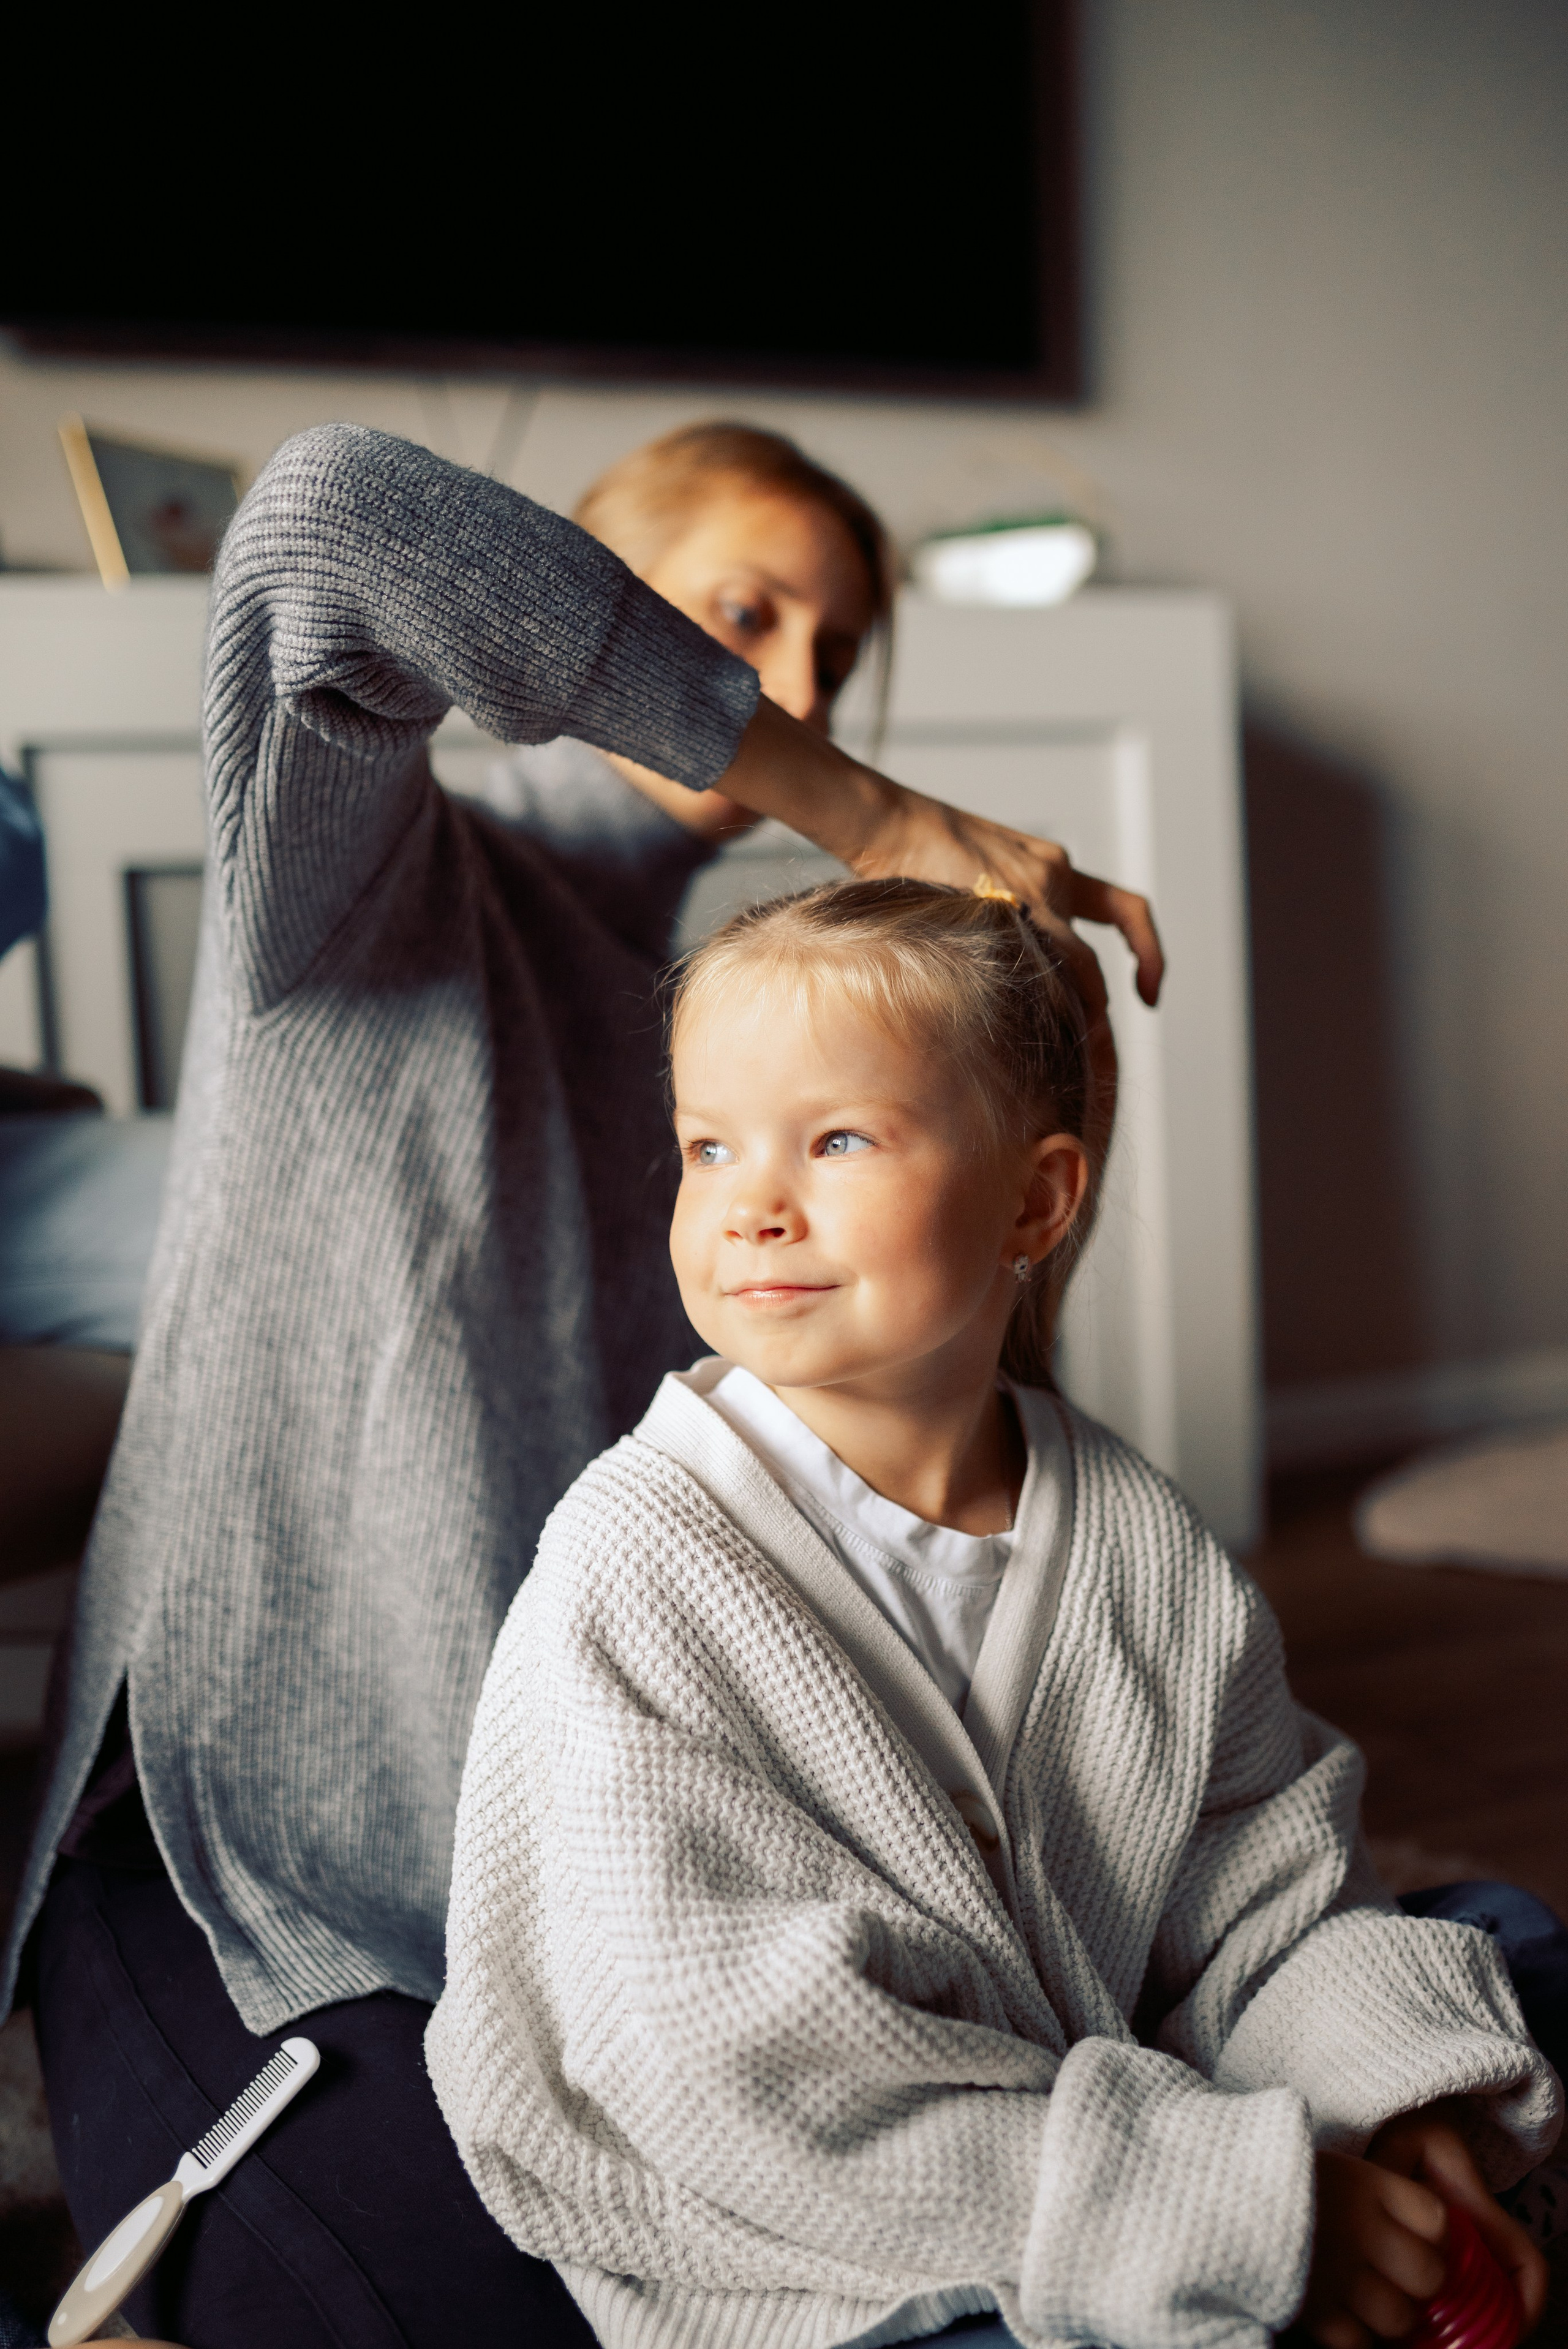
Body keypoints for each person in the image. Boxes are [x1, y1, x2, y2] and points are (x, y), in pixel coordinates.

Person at [9, 422, 1159, 2348]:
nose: (789, 686)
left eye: (834, 653)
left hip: (595, 1859)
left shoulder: (746, 1057)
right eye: (743, 616)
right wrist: (860, 800)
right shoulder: (364, 878)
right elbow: (330, 520)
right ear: (588, 596)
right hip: (245, 1849)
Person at [429, 877, 1562, 2349]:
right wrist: (1249, 2207)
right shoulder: (636, 1569)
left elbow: (1259, 1894)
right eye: (707, 1148)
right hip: (814, 2218)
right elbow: (746, 2074)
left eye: (834, 1140)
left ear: (1033, 1198)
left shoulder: (1134, 1542)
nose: (750, 1203)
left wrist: (1399, 2116)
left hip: (1090, 2082)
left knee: (1492, 1954)